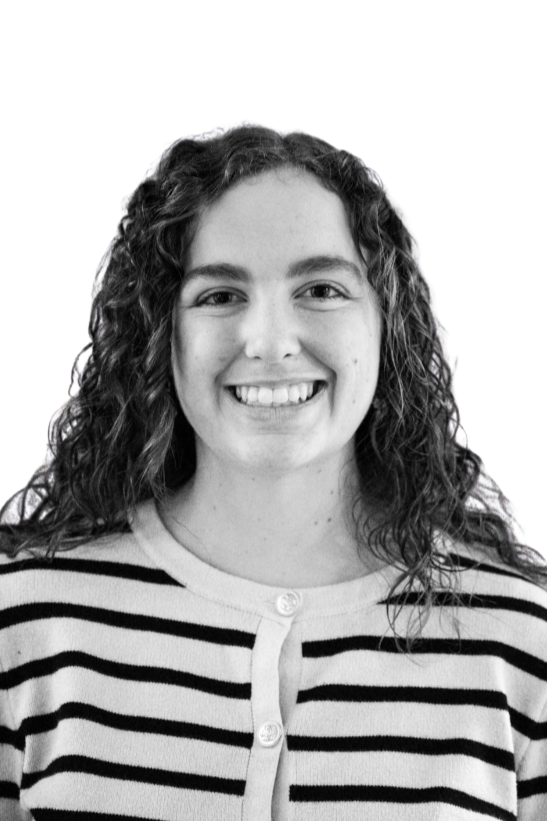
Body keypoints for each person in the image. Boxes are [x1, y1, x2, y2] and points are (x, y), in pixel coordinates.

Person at [1, 122, 546, 820]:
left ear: (387, 325)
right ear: (161, 333)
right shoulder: (25, 623)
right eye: (219, 295)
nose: (269, 342)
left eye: (320, 288)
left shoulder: (520, 643)